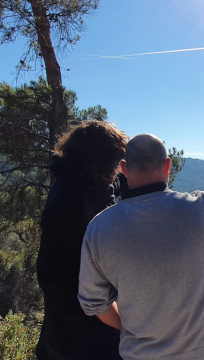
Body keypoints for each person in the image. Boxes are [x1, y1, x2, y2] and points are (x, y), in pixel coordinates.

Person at [78, 133, 204, 360]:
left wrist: (134, 328)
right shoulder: (203, 208)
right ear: (168, 166)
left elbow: (94, 304)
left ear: (124, 168)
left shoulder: (99, 229)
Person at [36, 121, 128, 360]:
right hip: (78, 340)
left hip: (93, 326)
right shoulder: (69, 203)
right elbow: (53, 277)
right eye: (118, 162)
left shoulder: (83, 182)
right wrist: (108, 323)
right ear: (104, 162)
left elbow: (110, 190)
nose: (120, 169)